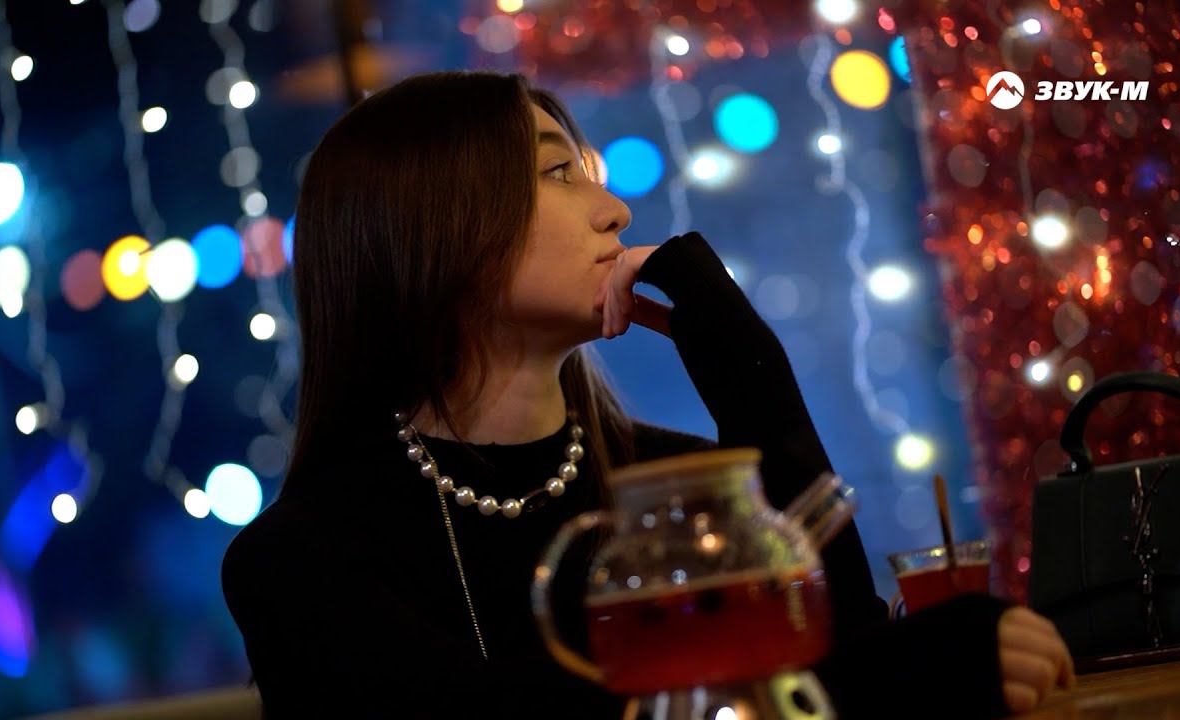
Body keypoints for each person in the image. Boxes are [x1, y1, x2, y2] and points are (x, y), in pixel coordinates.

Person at [221, 70, 1074, 718]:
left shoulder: (682, 489)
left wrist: (748, 370)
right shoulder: (304, 558)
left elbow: (838, 646)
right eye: (559, 174)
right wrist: (915, 668)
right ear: (433, 227)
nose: (615, 212)